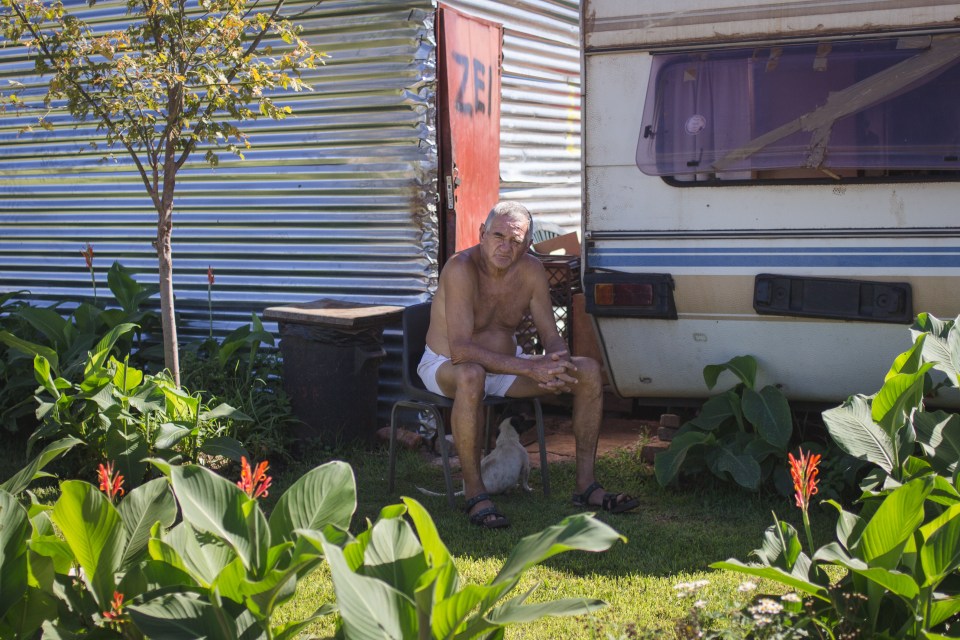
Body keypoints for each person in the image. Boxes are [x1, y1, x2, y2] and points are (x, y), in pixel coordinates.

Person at [417, 201, 640, 528]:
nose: (505, 247)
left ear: (527, 244)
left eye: (516, 241)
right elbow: (462, 350)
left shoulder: (532, 271)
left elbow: (550, 335)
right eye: (498, 236)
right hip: (447, 365)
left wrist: (556, 363)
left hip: (506, 368)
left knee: (588, 372)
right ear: (482, 234)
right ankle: (475, 493)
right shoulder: (460, 268)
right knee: (471, 375)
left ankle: (586, 486)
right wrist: (529, 368)